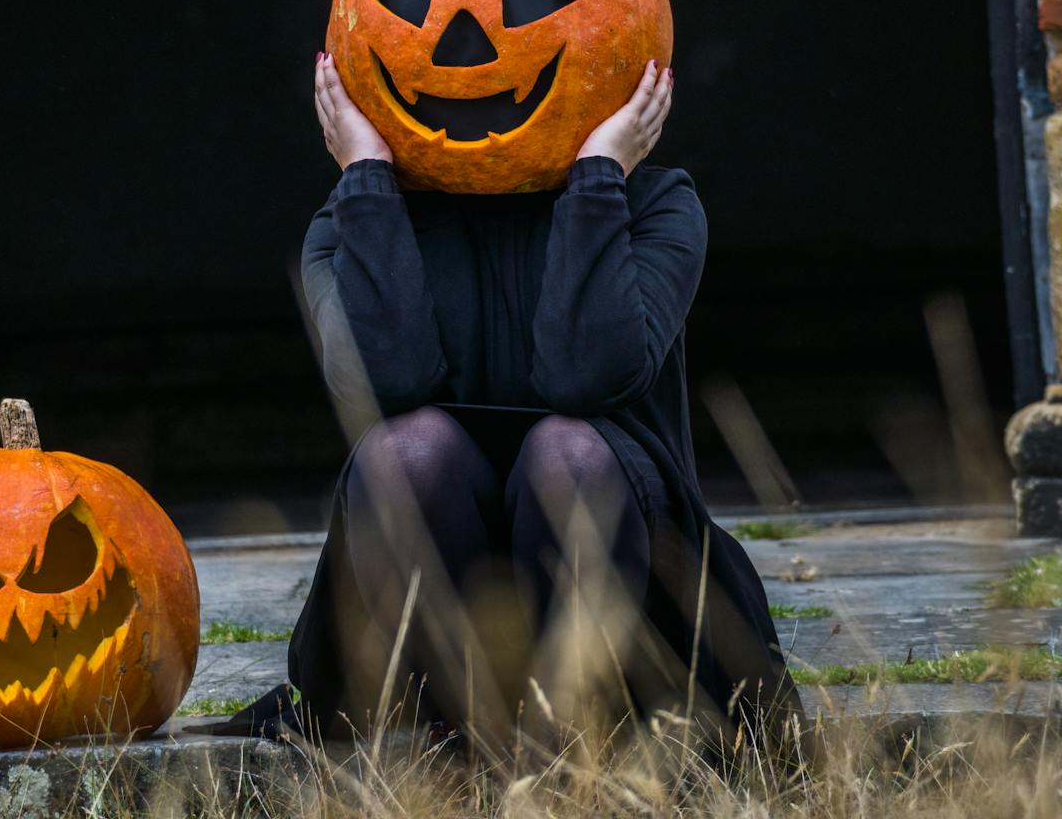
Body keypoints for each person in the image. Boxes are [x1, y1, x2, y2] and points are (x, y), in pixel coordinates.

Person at [216, 54, 801, 762]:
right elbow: (383, 388)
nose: (477, 53)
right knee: (409, 452)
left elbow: (586, 378)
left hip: (616, 572)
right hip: (429, 609)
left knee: (569, 452)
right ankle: (471, 734)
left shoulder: (656, 204)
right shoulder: (349, 224)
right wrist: (366, 178)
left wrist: (596, 178)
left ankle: (573, 737)